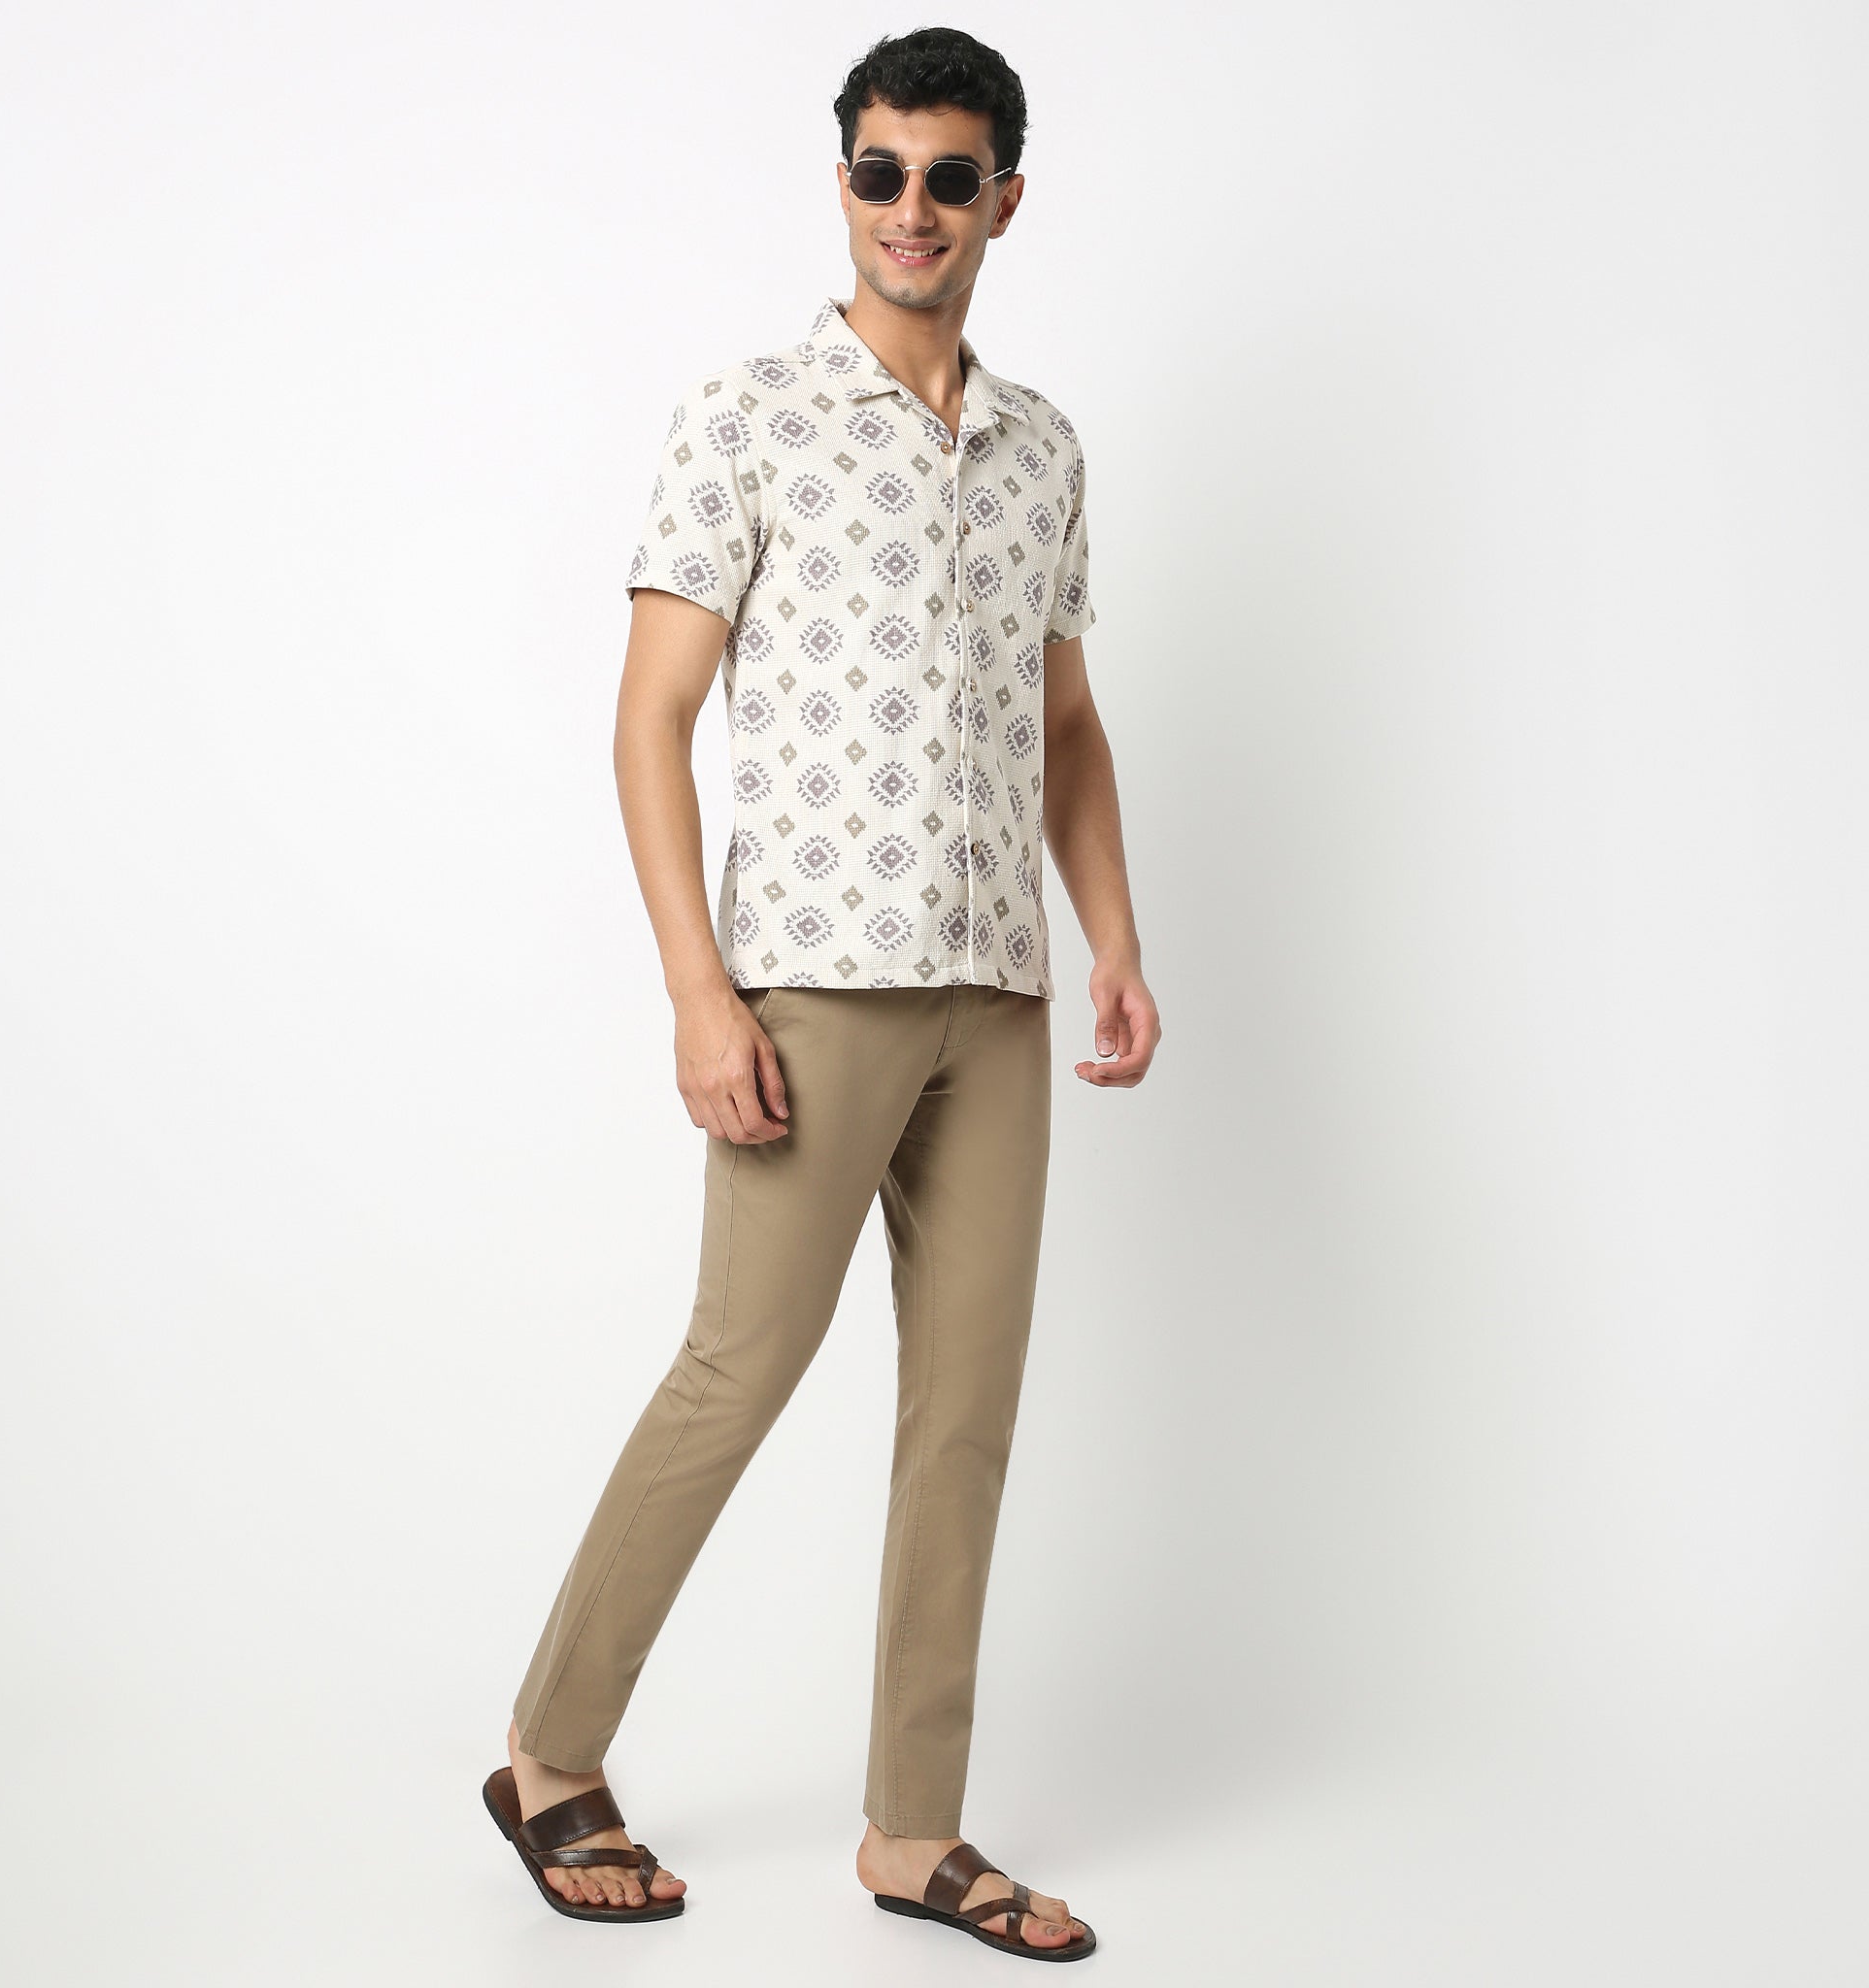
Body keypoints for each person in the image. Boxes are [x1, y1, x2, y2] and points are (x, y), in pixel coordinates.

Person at [482, 24, 1157, 1962]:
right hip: (812, 989)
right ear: (842, 184)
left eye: (948, 178)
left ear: (1003, 201)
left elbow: (1066, 723)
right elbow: (651, 719)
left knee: (966, 1415)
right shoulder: (749, 416)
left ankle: (912, 1832)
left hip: (997, 993)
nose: (910, 210)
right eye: (879, 172)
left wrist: (1114, 939)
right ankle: (547, 1752)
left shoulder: (1042, 449)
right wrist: (700, 996)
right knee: (739, 1368)